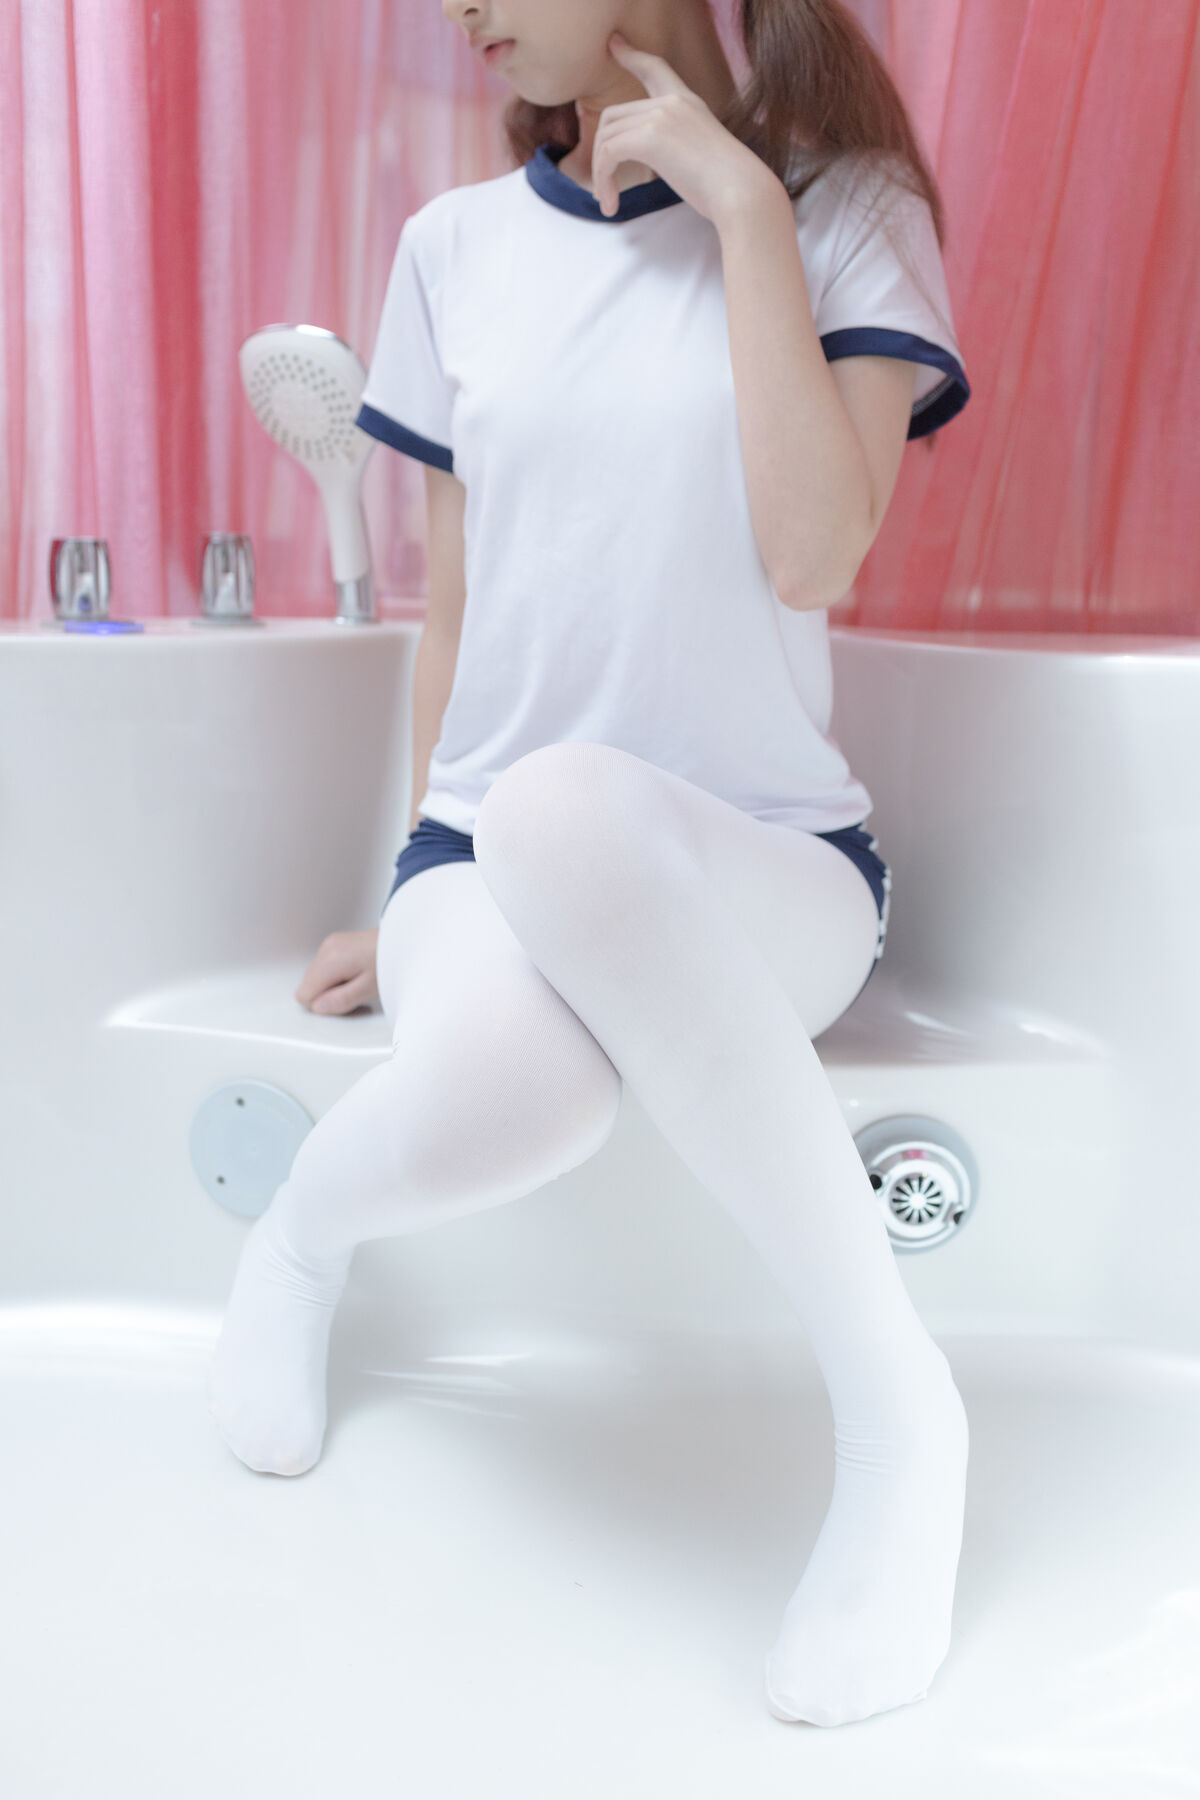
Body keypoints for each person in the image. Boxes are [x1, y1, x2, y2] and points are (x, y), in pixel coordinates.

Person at [209, 0, 972, 1730]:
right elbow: (456, 610)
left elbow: (816, 551)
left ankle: (899, 1416)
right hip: (485, 842)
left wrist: (745, 211)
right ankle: (300, 1242)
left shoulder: (846, 210)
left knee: (568, 813)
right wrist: (406, 888)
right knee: (532, 1064)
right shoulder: (454, 247)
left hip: (768, 865)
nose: (463, 11)